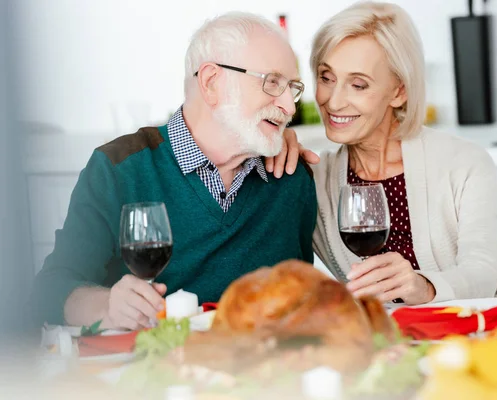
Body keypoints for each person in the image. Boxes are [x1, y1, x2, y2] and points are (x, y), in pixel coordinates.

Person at [30, 12, 319, 330]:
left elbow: (302, 309)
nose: (289, 107)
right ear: (211, 83)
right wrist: (108, 306)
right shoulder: (119, 170)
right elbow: (51, 289)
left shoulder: (291, 179)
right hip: (148, 372)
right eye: (272, 82)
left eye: (291, 88)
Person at [297, 1, 497, 305]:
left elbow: (482, 270)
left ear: (399, 91)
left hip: (477, 333)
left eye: (358, 85)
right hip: (386, 344)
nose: (334, 102)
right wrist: (270, 140)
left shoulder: (464, 163)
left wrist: (423, 287)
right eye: (326, 77)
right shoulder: (312, 177)